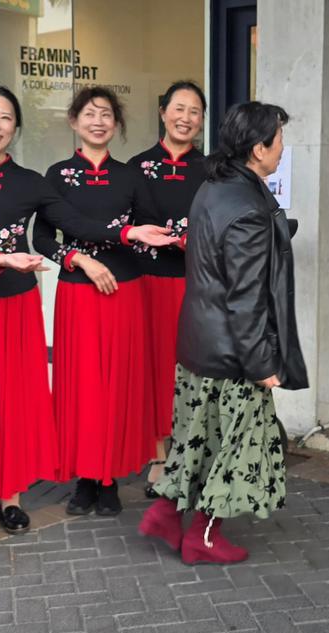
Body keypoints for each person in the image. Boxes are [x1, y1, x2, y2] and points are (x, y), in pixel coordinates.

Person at [0, 86, 175, 533]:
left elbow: (73, 225)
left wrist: (127, 237)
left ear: (16, 128)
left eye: (5, 118)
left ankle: (20, 496)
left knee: (23, 398)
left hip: (28, 299)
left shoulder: (31, 183)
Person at [138, 101, 307, 565]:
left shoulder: (213, 186)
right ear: (258, 148)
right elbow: (246, 296)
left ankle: (167, 515)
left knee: (197, 437)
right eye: (279, 139)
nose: (282, 149)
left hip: (198, 341)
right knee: (237, 444)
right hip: (234, 353)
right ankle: (203, 536)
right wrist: (263, 364)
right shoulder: (249, 205)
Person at [33, 86, 164, 517]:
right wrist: (78, 259)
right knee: (82, 385)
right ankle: (84, 478)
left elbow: (148, 231)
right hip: (78, 292)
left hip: (125, 291)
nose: (98, 121)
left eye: (106, 114)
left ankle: (109, 478)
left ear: (116, 125)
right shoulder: (56, 175)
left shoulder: (131, 177)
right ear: (74, 121)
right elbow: (41, 237)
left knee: (117, 385)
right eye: (89, 114)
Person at [127, 80, 207, 498]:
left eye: (195, 111)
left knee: (188, 370)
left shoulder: (211, 170)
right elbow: (122, 225)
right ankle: (158, 456)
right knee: (153, 369)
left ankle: (186, 454)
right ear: (163, 112)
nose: (186, 118)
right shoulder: (136, 168)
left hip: (193, 286)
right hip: (146, 283)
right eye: (179, 108)